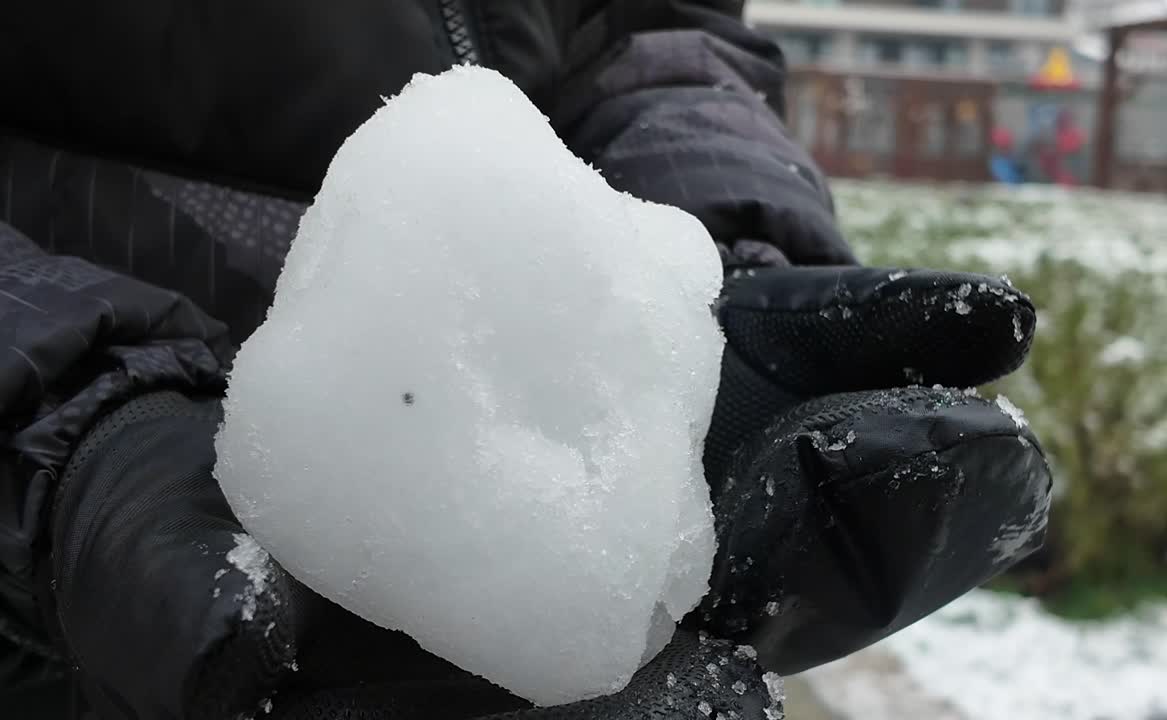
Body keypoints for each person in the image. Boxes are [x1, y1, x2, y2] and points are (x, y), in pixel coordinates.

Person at [0, 2, 1052, 718]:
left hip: (519, 375)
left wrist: (698, 268)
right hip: (70, 576)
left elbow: (654, 24)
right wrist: (68, 423)